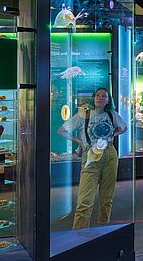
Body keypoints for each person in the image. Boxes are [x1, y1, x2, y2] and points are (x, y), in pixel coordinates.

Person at [58, 87, 128, 229]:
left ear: (108, 100)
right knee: (84, 200)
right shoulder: (84, 115)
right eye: (97, 95)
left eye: (104, 96)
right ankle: (78, 236)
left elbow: (124, 127)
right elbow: (62, 131)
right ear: (93, 98)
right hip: (91, 156)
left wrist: (112, 135)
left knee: (107, 197)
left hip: (109, 154)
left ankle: (104, 229)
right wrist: (80, 141)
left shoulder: (112, 115)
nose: (100, 98)